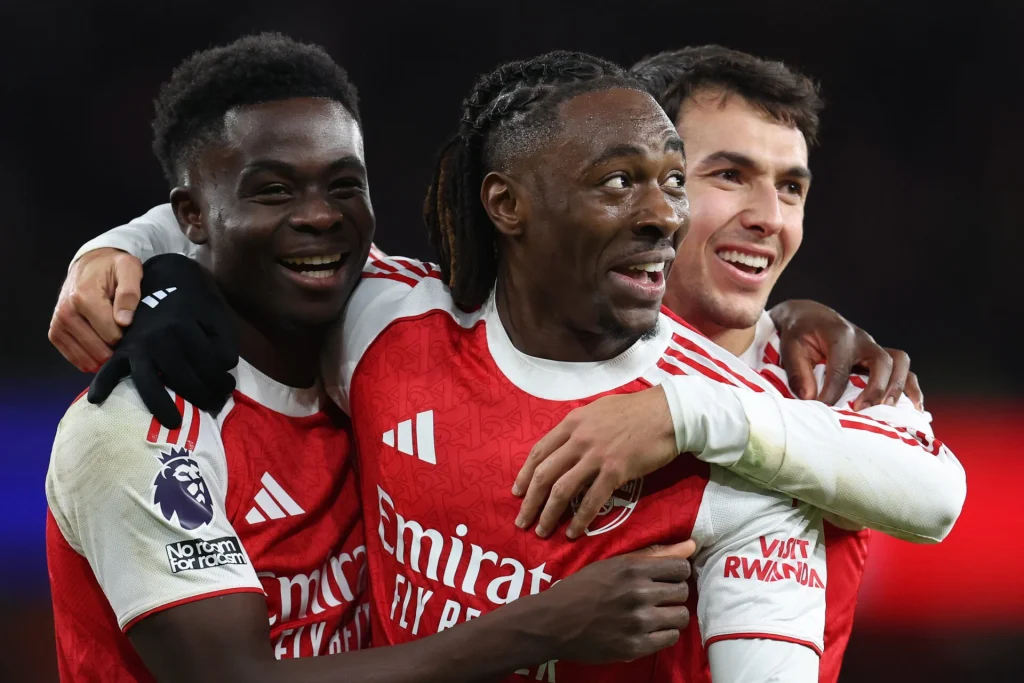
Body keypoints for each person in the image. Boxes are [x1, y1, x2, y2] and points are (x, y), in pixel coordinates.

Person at [44, 34, 702, 683]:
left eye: (342, 186)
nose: (319, 216)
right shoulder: (137, 431)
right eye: (274, 191)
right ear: (192, 216)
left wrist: (784, 326)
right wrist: (542, 626)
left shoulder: (385, 318)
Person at [509, 45, 963, 683]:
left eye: (791, 188)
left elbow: (935, 497)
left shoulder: (834, 377)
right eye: (728, 175)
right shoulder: (539, 350)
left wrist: (685, 413)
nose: (769, 219)